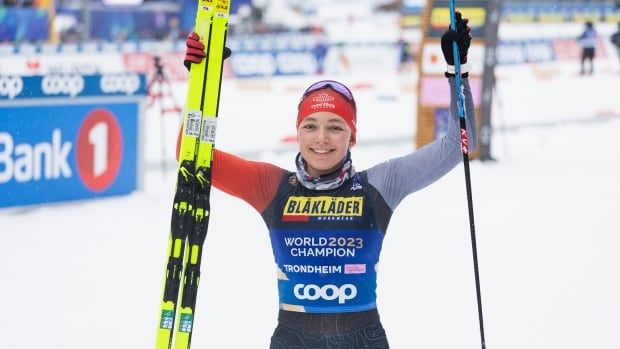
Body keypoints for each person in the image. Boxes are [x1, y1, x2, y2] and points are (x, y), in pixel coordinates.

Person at [181, 12, 476, 348]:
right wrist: (201, 84)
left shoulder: (378, 185)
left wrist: (458, 72)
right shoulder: (271, 186)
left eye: (335, 126)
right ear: (297, 132)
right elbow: (190, 154)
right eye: (310, 126)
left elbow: (458, 145)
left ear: (352, 136)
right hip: (293, 340)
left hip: (362, 339)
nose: (321, 138)